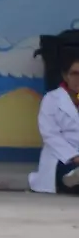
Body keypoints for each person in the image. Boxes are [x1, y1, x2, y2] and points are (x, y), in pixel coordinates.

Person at [29, 58, 79, 195]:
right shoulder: (52, 99)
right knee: (69, 173)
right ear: (65, 76)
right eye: (74, 73)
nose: (78, 78)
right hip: (62, 156)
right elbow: (50, 134)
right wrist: (74, 156)